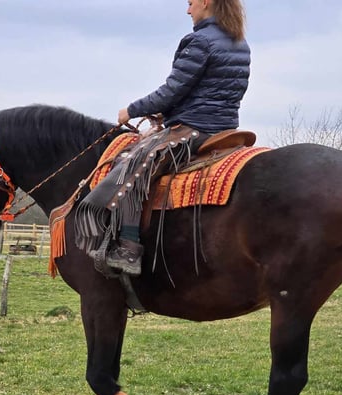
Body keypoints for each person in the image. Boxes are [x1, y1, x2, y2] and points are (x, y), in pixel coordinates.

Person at [75, 0, 251, 276]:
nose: (188, 10)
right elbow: (207, 91)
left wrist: (131, 110)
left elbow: (172, 90)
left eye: (191, 3)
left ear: (206, 2)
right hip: (225, 128)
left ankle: (128, 248)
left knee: (130, 166)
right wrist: (168, 113)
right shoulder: (239, 43)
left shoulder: (200, 41)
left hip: (194, 129)